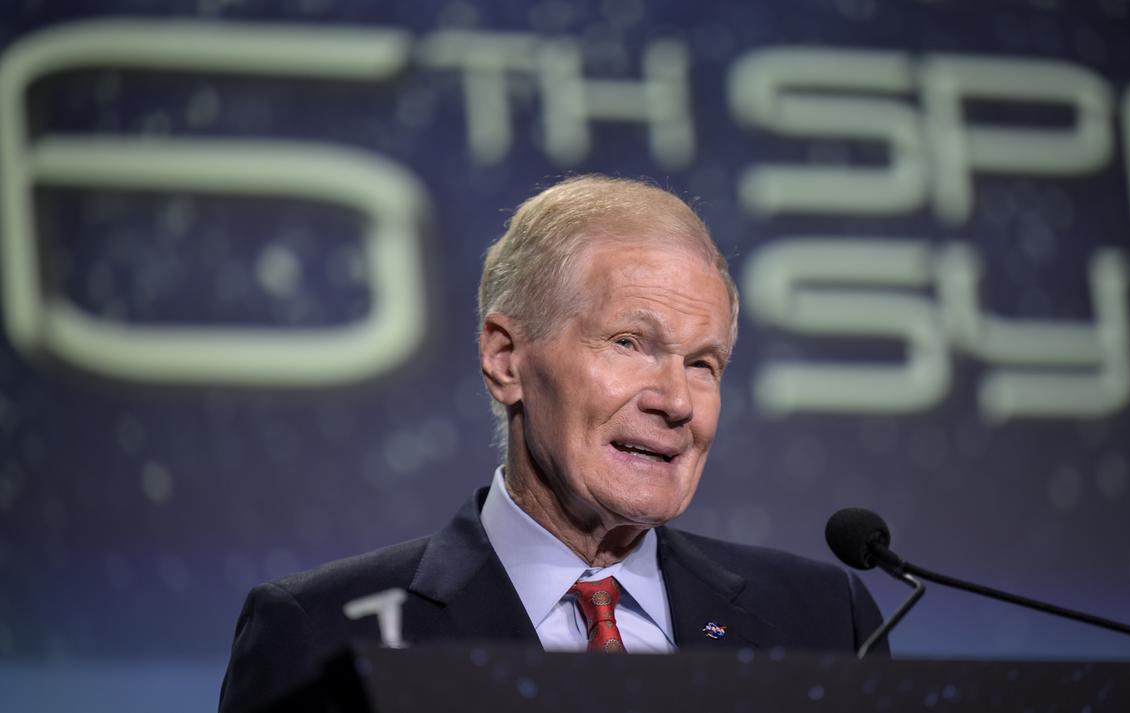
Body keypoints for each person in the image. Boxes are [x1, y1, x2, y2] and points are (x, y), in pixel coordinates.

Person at [218, 175, 887, 713]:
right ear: (506, 358)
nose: (676, 401)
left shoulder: (823, 621)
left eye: (703, 364)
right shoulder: (326, 631)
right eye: (630, 343)